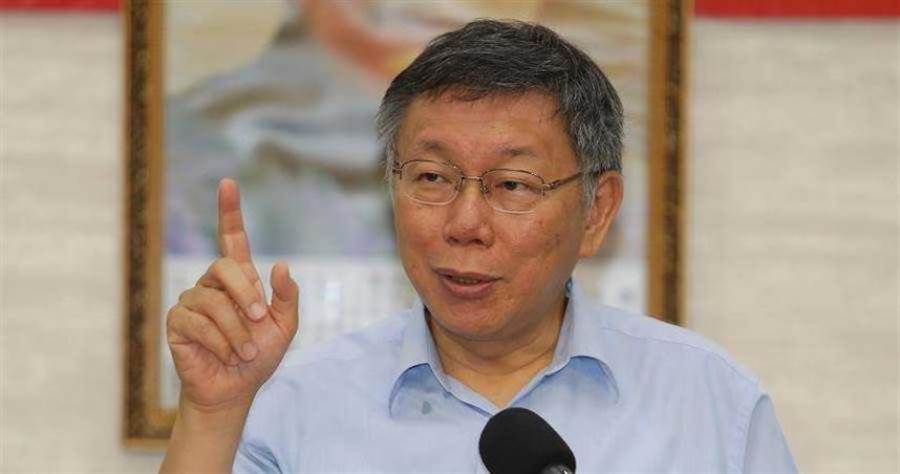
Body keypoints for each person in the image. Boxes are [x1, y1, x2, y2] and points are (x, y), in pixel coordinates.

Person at [159, 19, 797, 473]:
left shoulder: (711, 406)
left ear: (597, 210)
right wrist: (211, 414)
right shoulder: (296, 411)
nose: (465, 223)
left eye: (512, 184)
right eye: (432, 177)